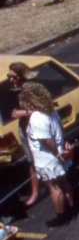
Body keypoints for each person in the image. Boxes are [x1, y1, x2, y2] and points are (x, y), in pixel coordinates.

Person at [18, 81, 75, 219]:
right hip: (58, 154)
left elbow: (47, 140)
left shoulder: (37, 117)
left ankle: (62, 216)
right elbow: (60, 129)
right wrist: (63, 144)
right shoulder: (51, 111)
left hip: (48, 158)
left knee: (54, 187)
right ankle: (72, 208)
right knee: (63, 183)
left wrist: (57, 153)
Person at [7, 61, 39, 205]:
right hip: (25, 128)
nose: (10, 79)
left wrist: (26, 112)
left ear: (21, 76)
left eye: (13, 76)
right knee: (31, 160)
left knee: (44, 157)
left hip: (36, 127)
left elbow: (39, 107)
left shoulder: (29, 90)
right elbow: (12, 112)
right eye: (9, 76)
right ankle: (36, 191)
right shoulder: (13, 91)